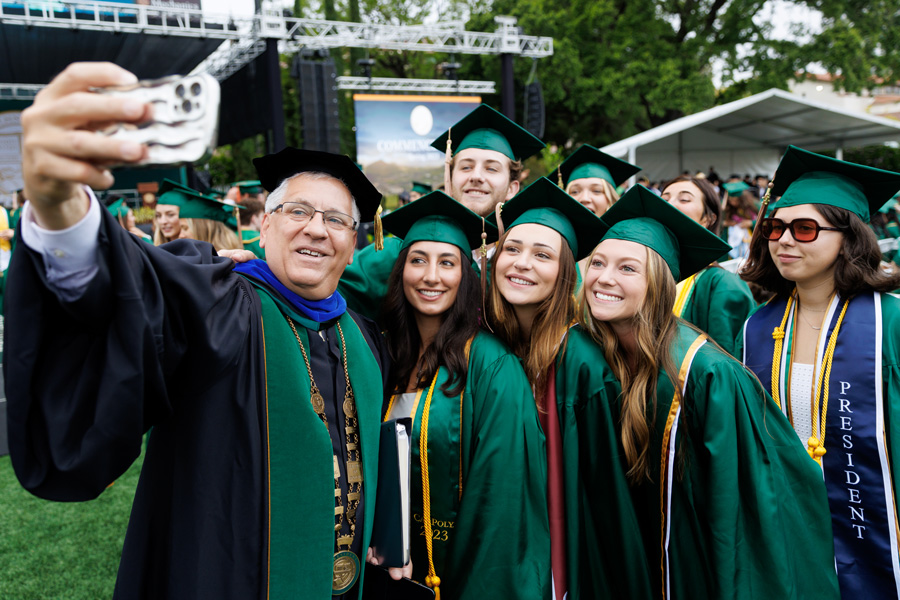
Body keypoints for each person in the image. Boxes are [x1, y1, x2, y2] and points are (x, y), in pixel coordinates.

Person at [6, 62, 406, 599]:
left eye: (336, 220)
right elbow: (136, 294)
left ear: (354, 241)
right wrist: (62, 210)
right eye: (298, 211)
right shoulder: (221, 303)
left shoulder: (362, 337)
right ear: (264, 222)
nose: (317, 228)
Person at [579, 184, 840, 599]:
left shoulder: (708, 375)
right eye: (597, 263)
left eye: (628, 268)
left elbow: (741, 506)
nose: (604, 279)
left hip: (691, 567)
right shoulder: (593, 354)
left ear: (659, 284)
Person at [739, 145, 900, 598]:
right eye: (775, 226)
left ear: (848, 237)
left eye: (805, 228)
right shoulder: (754, 329)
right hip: (789, 534)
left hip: (879, 532)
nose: (784, 240)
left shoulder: (891, 324)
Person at [485, 177, 651, 599]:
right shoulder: (489, 344)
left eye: (543, 255)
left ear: (565, 273)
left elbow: (607, 504)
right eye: (513, 249)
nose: (522, 263)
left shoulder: (583, 365)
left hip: (565, 564)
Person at [379, 191, 549, 598]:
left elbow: (501, 500)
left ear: (465, 274)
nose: (431, 276)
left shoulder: (491, 365)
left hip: (463, 578)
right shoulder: (383, 353)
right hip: (389, 574)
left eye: (447, 263)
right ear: (401, 270)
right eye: (418, 260)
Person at [338, 104, 545, 320]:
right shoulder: (401, 252)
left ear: (512, 188)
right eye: (466, 167)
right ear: (449, 180)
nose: (476, 176)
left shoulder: (521, 264)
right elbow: (327, 292)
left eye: (491, 168)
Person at [660, 174, 756, 355]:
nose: (669, 204)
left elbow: (725, 369)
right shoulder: (645, 275)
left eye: (684, 199)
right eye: (664, 199)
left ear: (709, 219)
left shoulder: (723, 286)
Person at [555, 144, 641, 216]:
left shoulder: (624, 234)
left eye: (597, 191)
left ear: (611, 198)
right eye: (574, 192)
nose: (584, 198)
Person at [720, 181, 756, 259]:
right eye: (731, 200)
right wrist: (725, 223)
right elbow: (714, 221)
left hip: (749, 241)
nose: (733, 203)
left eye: (736, 200)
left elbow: (765, 218)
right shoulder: (723, 206)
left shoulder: (753, 205)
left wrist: (751, 223)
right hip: (729, 241)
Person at [238, 195, 266, 259]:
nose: (263, 220)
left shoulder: (231, 236)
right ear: (254, 219)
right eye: (262, 216)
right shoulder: (260, 239)